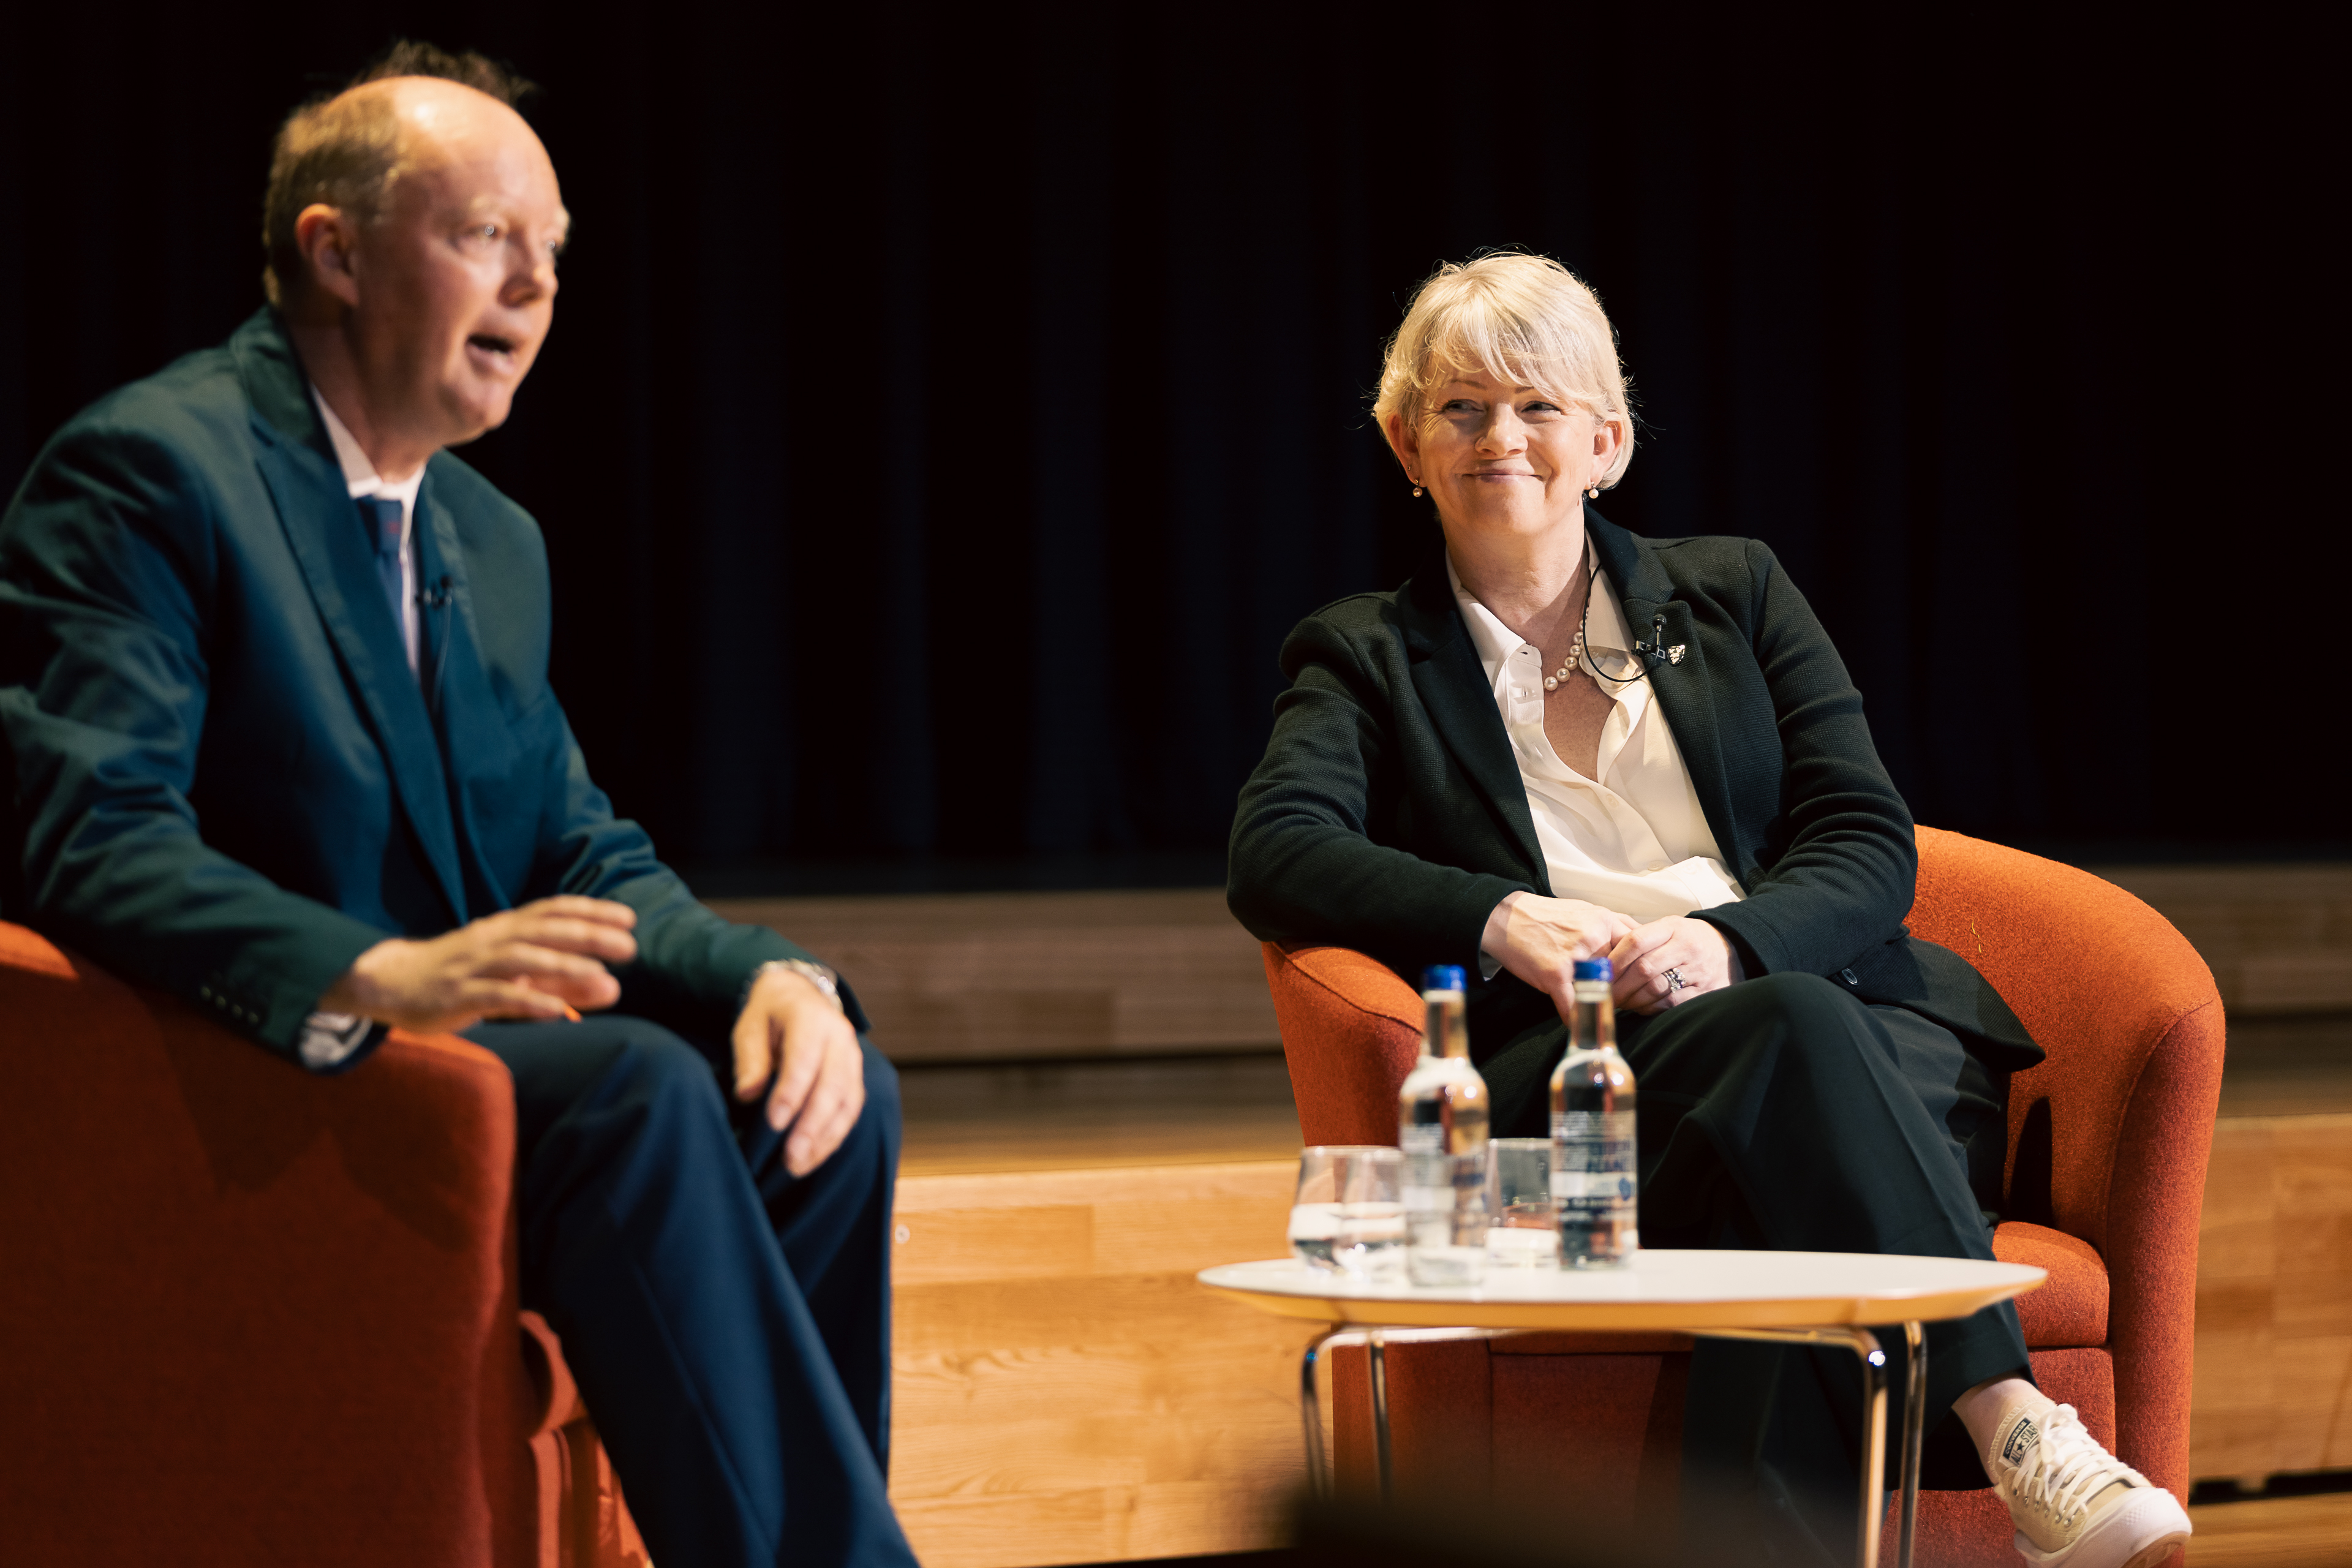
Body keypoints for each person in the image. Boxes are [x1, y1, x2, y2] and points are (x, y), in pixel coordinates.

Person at [0, 45, 916, 1568]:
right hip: (250, 1073)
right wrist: (375, 975)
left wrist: (768, 969)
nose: (535, 286)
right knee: (635, 1090)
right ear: (335, 251)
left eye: (553, 253)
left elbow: (574, 841)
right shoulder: (151, 473)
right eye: (489, 234)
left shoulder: (489, 538)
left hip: (450, 1078)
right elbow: (92, 837)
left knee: (824, 1091)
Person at [1226, 252, 2193, 1568]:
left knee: (1783, 1097)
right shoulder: (1365, 653)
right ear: (1406, 443)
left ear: (1608, 441)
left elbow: (1867, 837)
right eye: (1458, 408)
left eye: (1539, 405)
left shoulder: (1734, 591)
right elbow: (1275, 848)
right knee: (1778, 1083)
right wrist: (1504, 915)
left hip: (1862, 1037)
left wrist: (1728, 941)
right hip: (1604, 1093)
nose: (1499, 437)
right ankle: (2020, 1424)